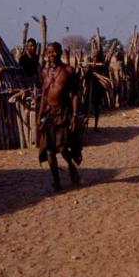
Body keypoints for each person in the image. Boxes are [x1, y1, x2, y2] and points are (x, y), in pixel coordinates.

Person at [37, 42, 83, 191]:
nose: (51, 55)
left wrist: (75, 115)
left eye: (54, 52)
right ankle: (56, 182)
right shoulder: (44, 72)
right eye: (49, 53)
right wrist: (39, 116)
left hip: (64, 113)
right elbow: (44, 96)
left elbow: (75, 94)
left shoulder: (68, 71)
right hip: (49, 114)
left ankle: (71, 166)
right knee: (49, 150)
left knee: (62, 147)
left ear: (60, 52)